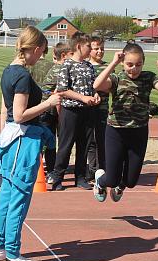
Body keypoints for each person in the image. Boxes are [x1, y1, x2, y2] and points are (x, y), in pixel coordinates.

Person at [0, 25, 61, 261]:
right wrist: (49, 103)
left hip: (11, 138)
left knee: (6, 196)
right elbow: (20, 115)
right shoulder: (21, 75)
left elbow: (5, 111)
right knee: (18, 198)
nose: (41, 57)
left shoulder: (8, 71)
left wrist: (3, 138)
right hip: (23, 140)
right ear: (36, 48)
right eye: (41, 52)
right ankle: (13, 254)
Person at [92, 43, 158, 203]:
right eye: (129, 65)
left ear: (143, 63)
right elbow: (97, 85)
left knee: (131, 182)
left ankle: (120, 187)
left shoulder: (149, 77)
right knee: (111, 178)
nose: (134, 69)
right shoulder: (117, 78)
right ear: (123, 62)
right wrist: (113, 63)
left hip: (138, 132)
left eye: (138, 65)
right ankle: (100, 182)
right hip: (116, 131)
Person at [49, 32, 99, 191]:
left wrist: (95, 95)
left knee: (84, 145)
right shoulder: (67, 65)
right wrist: (83, 98)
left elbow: (94, 86)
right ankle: (58, 177)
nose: (91, 49)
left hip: (88, 111)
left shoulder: (89, 65)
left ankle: (80, 177)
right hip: (70, 111)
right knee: (65, 145)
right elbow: (63, 90)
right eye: (88, 46)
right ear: (78, 46)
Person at [39, 41, 71, 181]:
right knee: (49, 141)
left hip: (48, 110)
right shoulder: (60, 70)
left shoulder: (56, 68)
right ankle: (50, 170)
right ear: (64, 56)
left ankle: (49, 169)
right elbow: (60, 93)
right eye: (71, 55)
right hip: (49, 111)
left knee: (49, 141)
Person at [86, 36, 109, 182]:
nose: (100, 51)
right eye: (96, 49)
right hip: (87, 108)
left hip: (102, 108)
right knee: (89, 140)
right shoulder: (84, 65)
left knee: (102, 139)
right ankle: (91, 168)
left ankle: (102, 169)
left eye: (102, 49)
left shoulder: (107, 67)